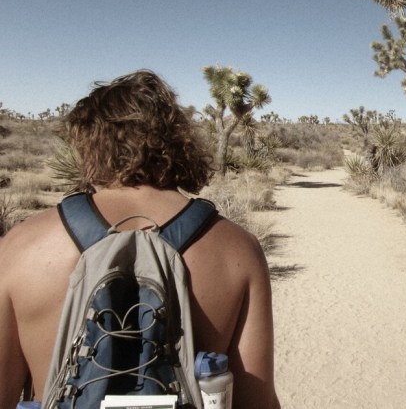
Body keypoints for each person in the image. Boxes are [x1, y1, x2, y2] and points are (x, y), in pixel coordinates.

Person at [0, 70, 281, 409]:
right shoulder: (236, 249)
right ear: (178, 142)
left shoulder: (22, 245)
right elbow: (256, 400)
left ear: (88, 145)